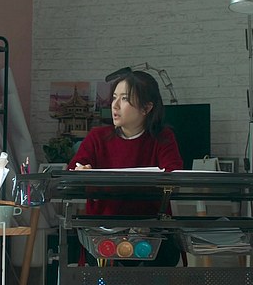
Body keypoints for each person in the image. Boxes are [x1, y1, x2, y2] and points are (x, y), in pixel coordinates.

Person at [67, 70, 183, 266]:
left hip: (151, 233)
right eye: (114, 98)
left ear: (146, 107)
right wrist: (82, 172)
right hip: (103, 233)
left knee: (160, 265)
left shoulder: (163, 137)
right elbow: (72, 172)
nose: (115, 105)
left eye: (125, 99)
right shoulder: (97, 137)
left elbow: (174, 176)